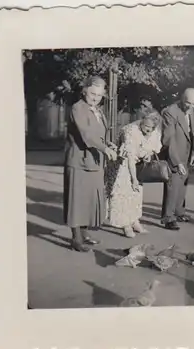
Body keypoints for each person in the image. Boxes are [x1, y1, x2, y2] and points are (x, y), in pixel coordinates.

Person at [63, 76, 118, 252]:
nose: (95, 98)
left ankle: (85, 233)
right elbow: (86, 134)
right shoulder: (78, 108)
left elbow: (99, 133)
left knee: (89, 199)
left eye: (99, 95)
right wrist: (104, 148)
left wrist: (107, 144)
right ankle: (76, 238)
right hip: (79, 160)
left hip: (94, 161)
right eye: (93, 93)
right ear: (85, 90)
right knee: (76, 199)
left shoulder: (98, 110)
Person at [105, 108, 163, 238]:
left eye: (150, 127)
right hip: (123, 165)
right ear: (141, 120)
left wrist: (148, 154)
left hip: (137, 165)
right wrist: (134, 179)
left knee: (135, 194)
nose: (146, 129)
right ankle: (125, 225)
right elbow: (130, 157)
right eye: (144, 125)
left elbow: (153, 149)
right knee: (124, 194)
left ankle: (135, 221)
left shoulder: (155, 132)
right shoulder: (131, 130)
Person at [160, 88, 194, 230]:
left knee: (182, 184)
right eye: (188, 102)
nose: (190, 106)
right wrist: (176, 161)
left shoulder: (193, 113)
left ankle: (179, 212)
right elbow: (168, 140)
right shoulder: (170, 112)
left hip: (187, 154)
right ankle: (168, 218)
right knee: (173, 185)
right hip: (174, 154)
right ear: (182, 98)